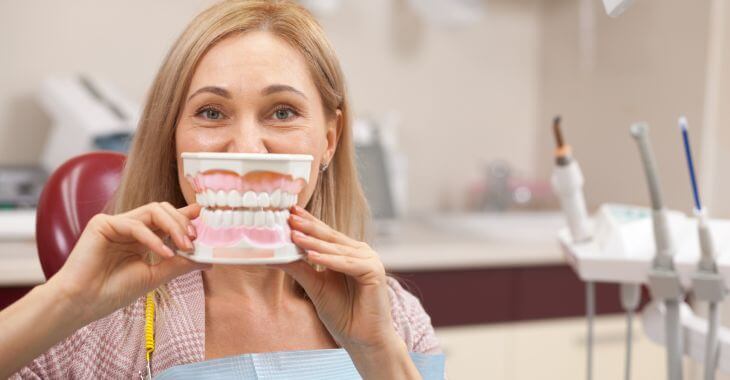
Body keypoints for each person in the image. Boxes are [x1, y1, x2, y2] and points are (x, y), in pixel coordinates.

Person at [1, 1, 441, 378]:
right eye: (211, 113)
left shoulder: (392, 316)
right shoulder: (103, 329)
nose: (246, 149)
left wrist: (377, 352)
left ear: (328, 140)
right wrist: (66, 301)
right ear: (172, 138)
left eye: (282, 111)